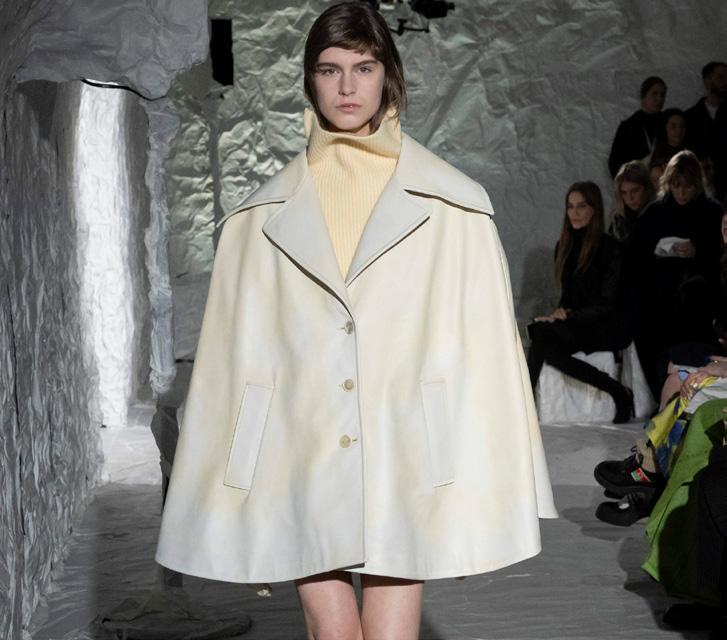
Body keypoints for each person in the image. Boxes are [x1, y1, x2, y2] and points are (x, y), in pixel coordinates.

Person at [155, 4, 557, 639]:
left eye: (363, 68)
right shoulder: (256, 219)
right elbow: (232, 359)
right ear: (310, 80)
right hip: (301, 443)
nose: (347, 86)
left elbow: (486, 350)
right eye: (329, 69)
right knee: (334, 631)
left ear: (387, 75)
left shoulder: (456, 205)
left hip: (404, 444)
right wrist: (231, 471)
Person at [527, 181, 633, 423]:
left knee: (544, 338)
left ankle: (523, 404)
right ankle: (617, 391)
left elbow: (608, 304)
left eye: (581, 206)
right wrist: (556, 315)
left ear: (594, 209)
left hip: (607, 325)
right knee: (543, 335)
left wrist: (568, 316)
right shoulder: (564, 247)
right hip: (579, 323)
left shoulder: (610, 249)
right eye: (570, 206)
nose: (574, 212)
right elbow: (569, 298)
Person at [630, 150, 724, 401]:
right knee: (644, 313)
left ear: (697, 185)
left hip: (698, 291)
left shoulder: (711, 212)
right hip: (658, 289)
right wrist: (660, 252)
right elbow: (637, 256)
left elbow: (719, 254)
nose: (682, 193)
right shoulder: (654, 213)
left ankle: (692, 391)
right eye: (676, 186)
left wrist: (697, 251)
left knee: (691, 301)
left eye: (688, 187)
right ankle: (663, 391)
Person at [608, 76, 667, 178]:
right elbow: (615, 163)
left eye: (663, 95)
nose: (659, 99)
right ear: (643, 95)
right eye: (654, 94)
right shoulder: (628, 126)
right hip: (639, 182)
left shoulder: (669, 122)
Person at [685, 62, 727, 200]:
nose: (726, 81)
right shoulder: (690, 117)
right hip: (702, 189)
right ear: (707, 81)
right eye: (721, 77)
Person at [608, 160, 656, 243]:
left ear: (647, 189)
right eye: (624, 193)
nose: (629, 198)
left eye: (635, 191)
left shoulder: (659, 213)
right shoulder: (619, 220)